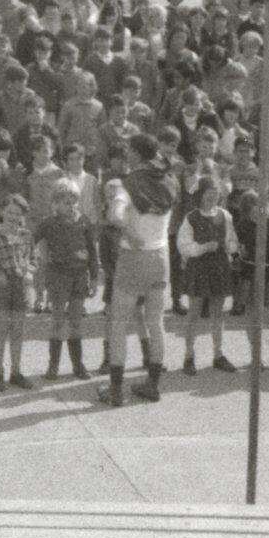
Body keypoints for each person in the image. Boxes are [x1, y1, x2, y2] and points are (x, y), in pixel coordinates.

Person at [98, 133, 178, 406]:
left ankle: (115, 390)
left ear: (135, 153)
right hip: (161, 257)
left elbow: (114, 215)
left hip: (134, 258)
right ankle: (152, 385)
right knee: (156, 322)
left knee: (119, 324)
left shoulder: (128, 184)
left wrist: (129, 232)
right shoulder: (169, 179)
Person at [37, 180, 98, 380]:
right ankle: (53, 365)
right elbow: (30, 240)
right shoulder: (48, 223)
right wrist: (35, 259)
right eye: (65, 202)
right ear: (55, 203)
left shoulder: (84, 221)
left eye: (73, 202)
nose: (70, 206)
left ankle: (78, 365)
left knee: (76, 321)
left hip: (79, 276)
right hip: (58, 276)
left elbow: (92, 251)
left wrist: (94, 277)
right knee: (57, 321)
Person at [176, 177, 238, 375]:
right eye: (208, 192)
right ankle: (189, 356)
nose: (212, 196)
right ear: (200, 195)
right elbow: (183, 246)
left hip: (219, 266)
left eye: (215, 192)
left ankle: (218, 355)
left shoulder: (225, 216)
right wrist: (203, 248)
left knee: (217, 313)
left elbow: (232, 240)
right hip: (198, 268)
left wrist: (230, 246)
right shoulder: (191, 218)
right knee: (194, 312)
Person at [0, 193, 35, 389]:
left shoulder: (26, 235)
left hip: (20, 285)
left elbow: (33, 258)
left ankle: (16, 372)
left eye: (18, 214)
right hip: (1, 285)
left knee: (18, 330)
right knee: (1, 329)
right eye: (10, 212)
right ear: (2, 212)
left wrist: (29, 272)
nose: (13, 217)